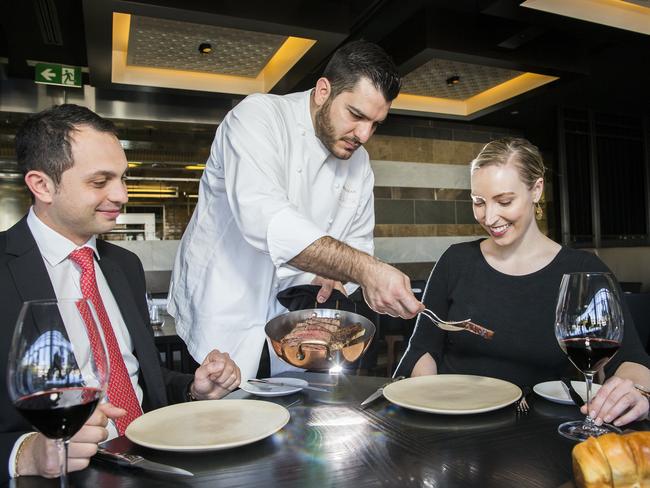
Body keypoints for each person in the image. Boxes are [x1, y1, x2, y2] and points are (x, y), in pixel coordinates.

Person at [0, 104, 241, 480]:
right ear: (42, 185)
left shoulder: (124, 266)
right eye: (100, 182)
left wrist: (194, 389)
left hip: (151, 465)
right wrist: (27, 454)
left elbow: (137, 378)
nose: (122, 194)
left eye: (123, 177)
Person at [169, 40, 423, 379]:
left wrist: (341, 278)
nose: (364, 134)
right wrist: (367, 270)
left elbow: (358, 244)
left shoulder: (359, 163)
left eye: (375, 124)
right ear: (322, 91)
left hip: (297, 326)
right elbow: (263, 217)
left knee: (290, 420)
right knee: (219, 422)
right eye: (356, 115)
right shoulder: (258, 117)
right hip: (224, 312)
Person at [395, 137, 650, 427]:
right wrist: (427, 413)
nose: (489, 217)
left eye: (504, 201)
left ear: (536, 189)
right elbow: (423, 350)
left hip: (546, 432)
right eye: (479, 202)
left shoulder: (583, 270)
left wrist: (635, 390)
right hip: (455, 425)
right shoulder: (456, 261)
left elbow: (630, 359)